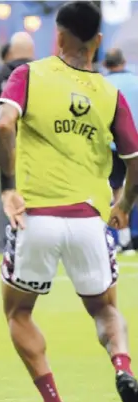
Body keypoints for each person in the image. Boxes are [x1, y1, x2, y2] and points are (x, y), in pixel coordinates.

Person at [0, 3, 138, 402]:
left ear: (57, 36)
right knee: (105, 310)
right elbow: (135, 161)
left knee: (19, 313)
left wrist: (8, 187)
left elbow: (5, 124)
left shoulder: (28, 74)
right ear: (98, 41)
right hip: (89, 221)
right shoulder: (109, 93)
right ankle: (123, 366)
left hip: (36, 219)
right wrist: (124, 204)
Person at [0, 33, 35, 254]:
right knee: (37, 191)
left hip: (5, 142)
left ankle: (0, 242)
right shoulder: (40, 74)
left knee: (4, 190)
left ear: (12, 51)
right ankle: (31, 238)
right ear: (32, 51)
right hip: (33, 143)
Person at [104, 48, 138, 253]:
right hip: (135, 144)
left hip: (112, 143)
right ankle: (133, 235)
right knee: (134, 188)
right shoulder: (135, 81)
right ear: (124, 61)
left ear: (106, 64)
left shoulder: (103, 85)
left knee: (116, 189)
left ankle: (122, 239)